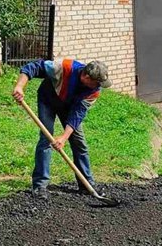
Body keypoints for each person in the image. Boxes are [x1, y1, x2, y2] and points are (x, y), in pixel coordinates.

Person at [12, 58, 111, 199]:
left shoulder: (93, 91)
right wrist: (19, 86)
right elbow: (33, 67)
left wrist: (64, 137)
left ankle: (87, 185)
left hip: (70, 107)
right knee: (46, 139)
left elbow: (77, 115)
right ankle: (40, 186)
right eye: (97, 83)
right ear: (86, 77)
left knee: (79, 143)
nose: (98, 87)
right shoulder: (64, 67)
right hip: (48, 100)